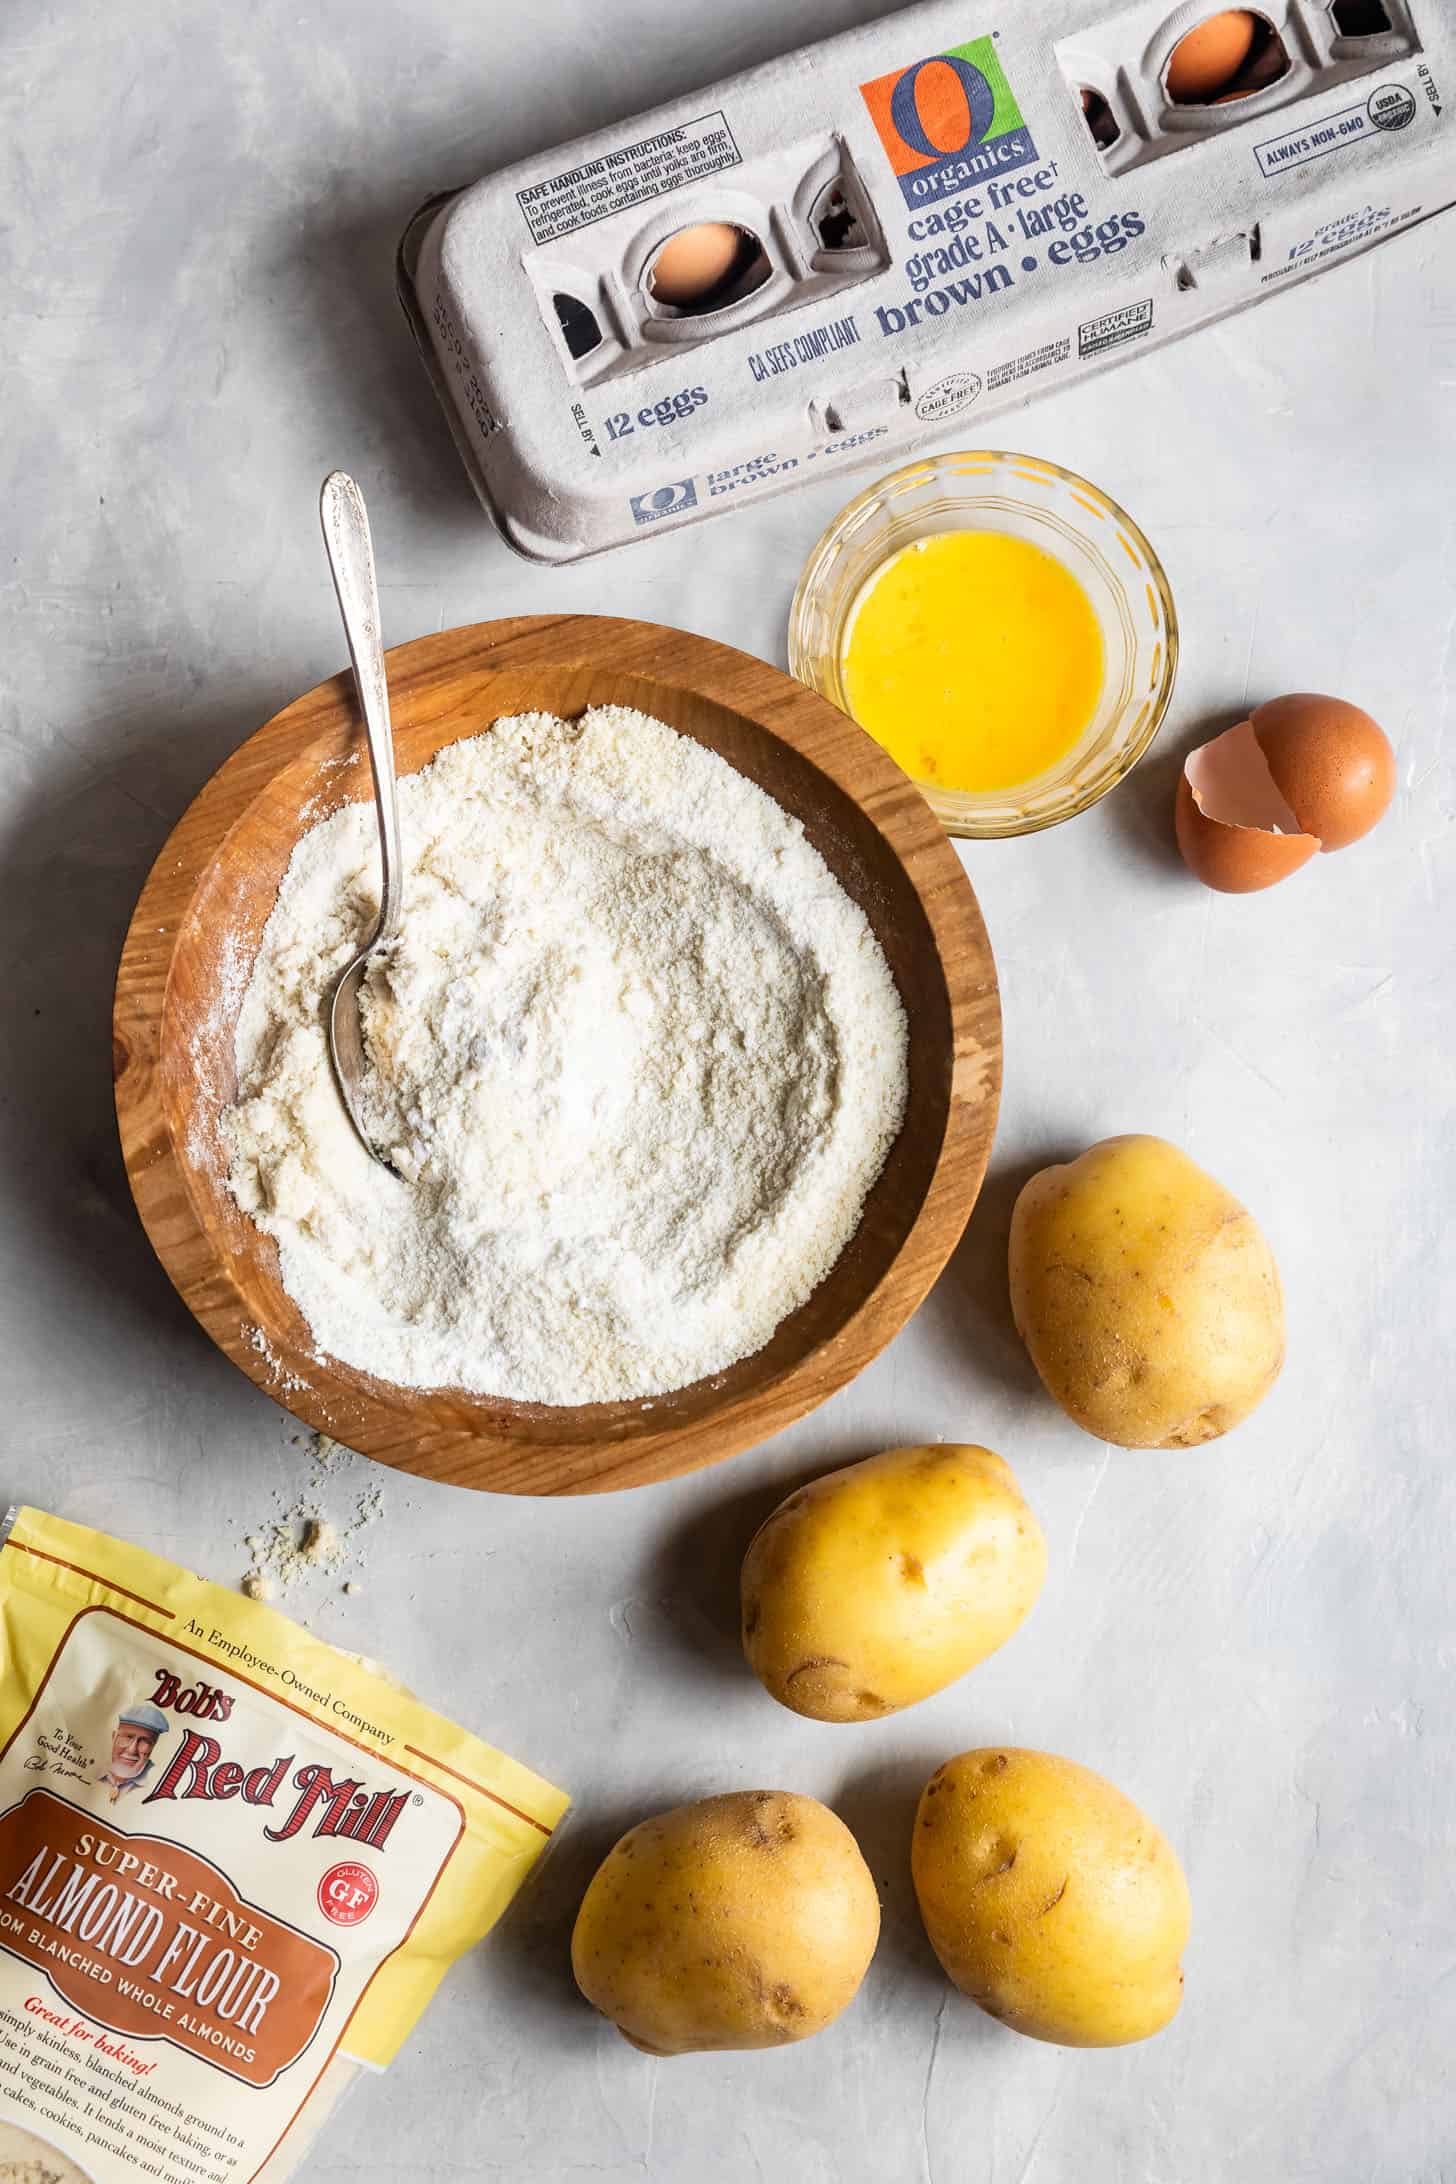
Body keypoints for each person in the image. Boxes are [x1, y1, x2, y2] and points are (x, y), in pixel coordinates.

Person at [97, 1701, 169, 1802]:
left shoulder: (155, 1786)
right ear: (114, 1737)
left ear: (153, 1747)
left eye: (145, 1741)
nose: (132, 1750)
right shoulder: (94, 1766)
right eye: (128, 1737)